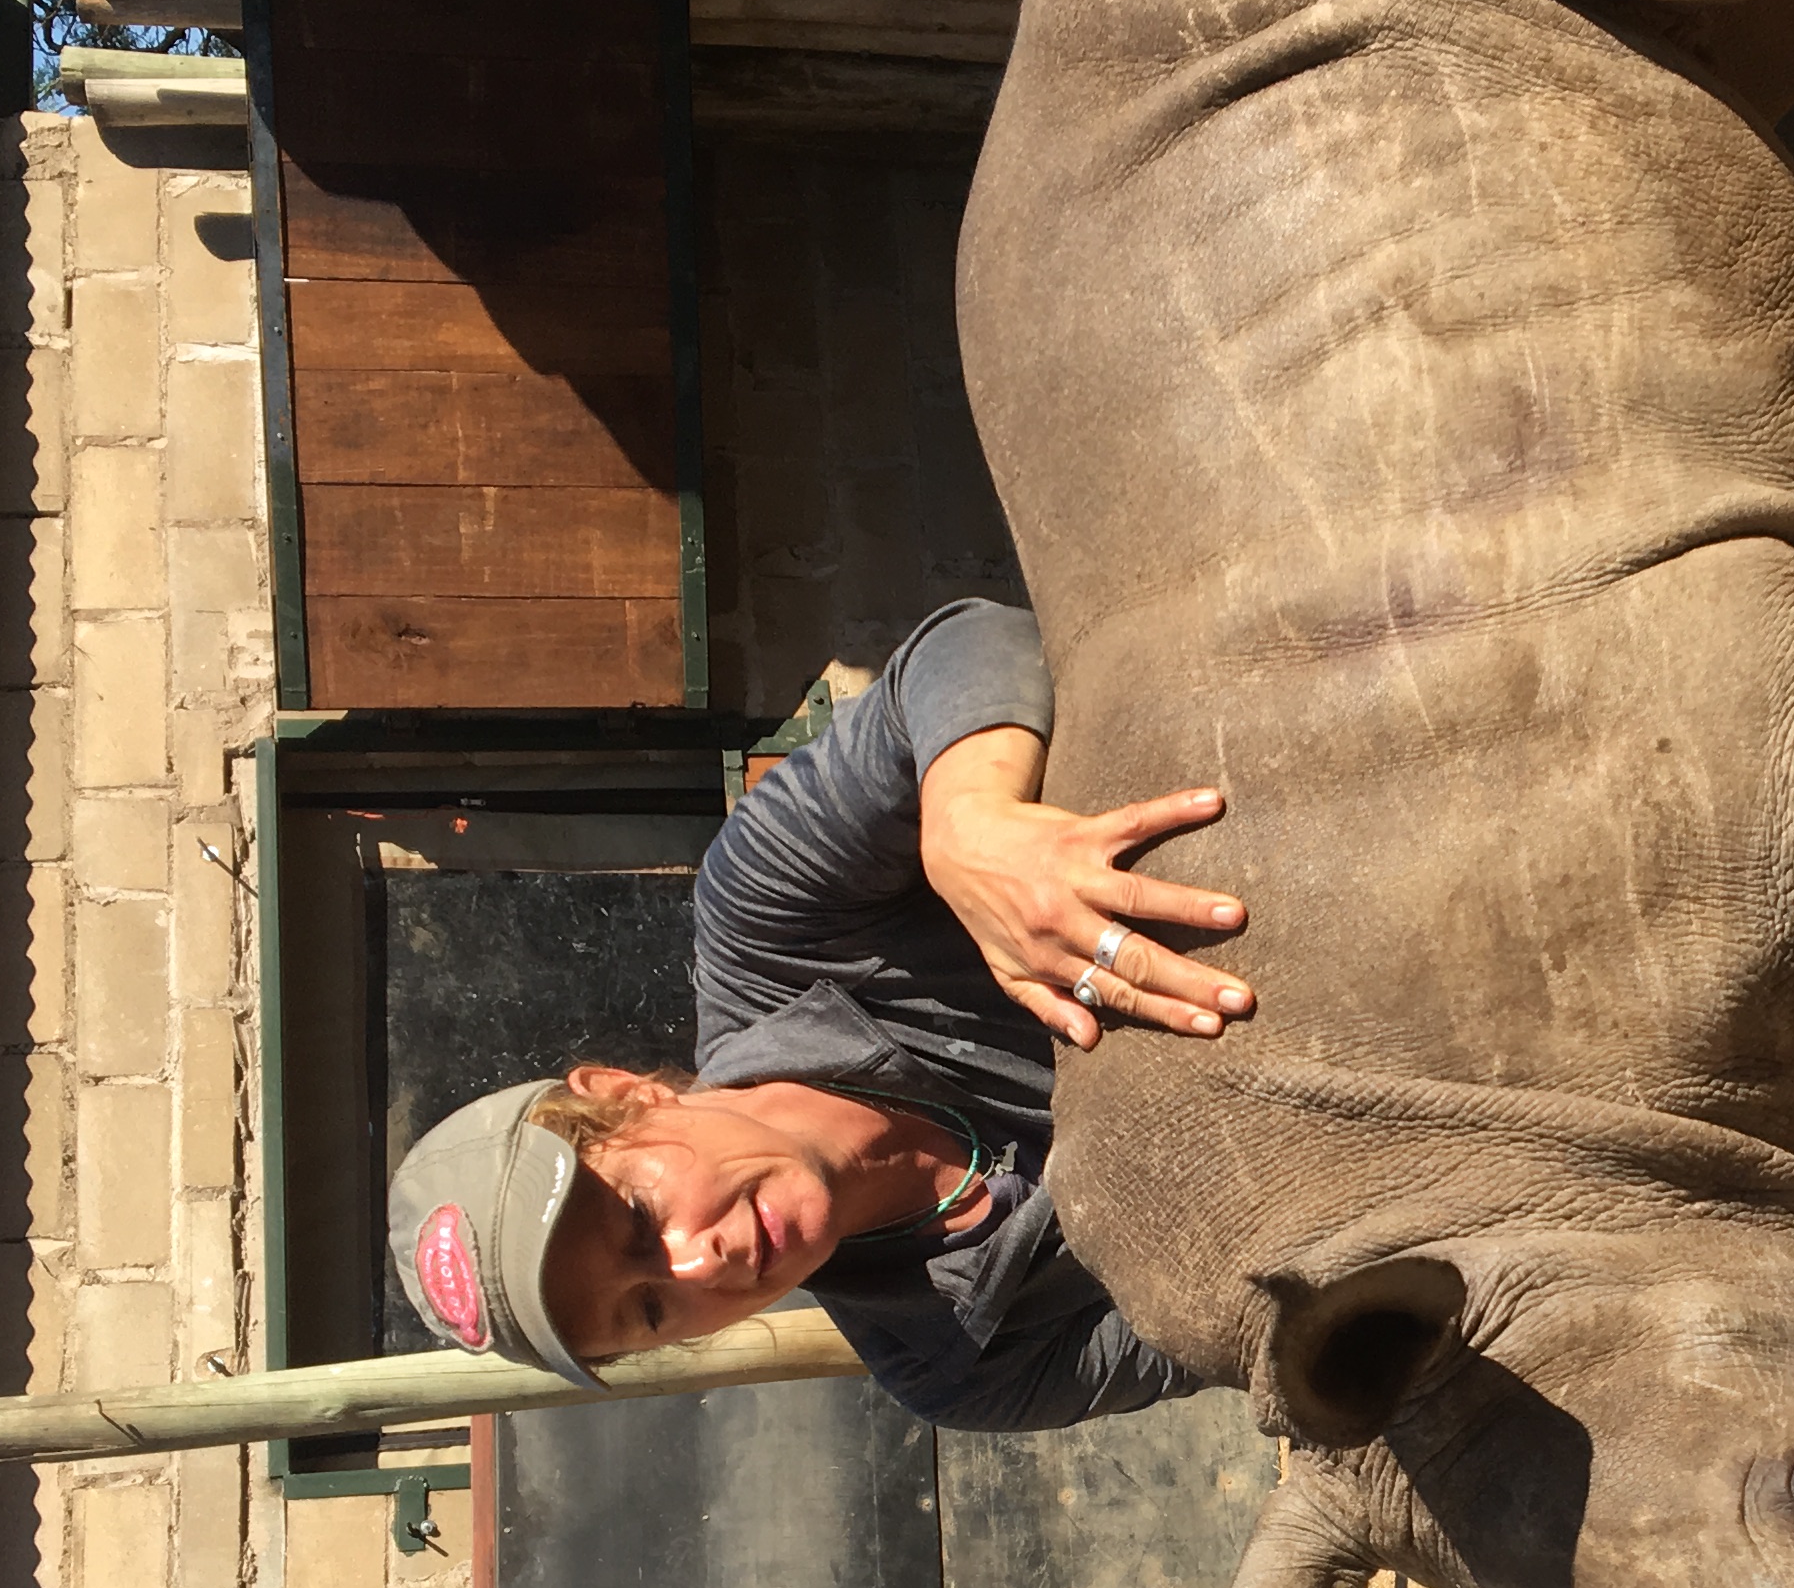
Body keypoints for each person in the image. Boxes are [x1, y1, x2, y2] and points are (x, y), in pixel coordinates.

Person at [385, 600, 1257, 1431]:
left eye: (640, 1221)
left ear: (627, 1095)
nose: (700, 1267)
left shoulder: (764, 923)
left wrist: (968, 826)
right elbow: (1251, 1336)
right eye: (651, 1309)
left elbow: (970, 644)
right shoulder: (956, 1366)